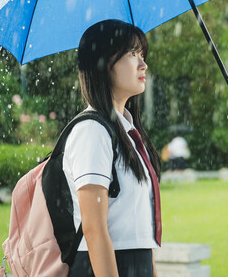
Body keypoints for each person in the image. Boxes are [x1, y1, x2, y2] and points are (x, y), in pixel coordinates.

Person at [63, 19, 162, 277]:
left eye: (142, 54)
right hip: (103, 267)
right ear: (104, 64)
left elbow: (139, 230)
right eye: (132, 54)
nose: (143, 64)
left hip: (133, 264)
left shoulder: (127, 131)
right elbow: (94, 229)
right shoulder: (92, 131)